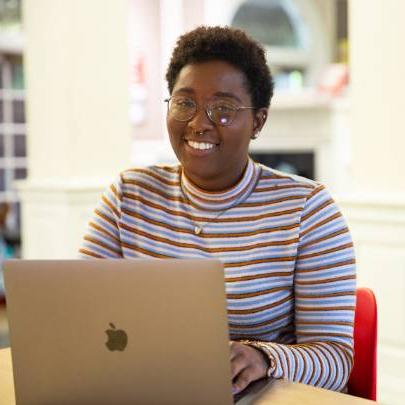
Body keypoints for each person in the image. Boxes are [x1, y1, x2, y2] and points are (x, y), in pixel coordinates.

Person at [80, 26, 356, 395]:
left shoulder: (308, 211)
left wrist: (262, 358)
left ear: (257, 121)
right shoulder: (129, 195)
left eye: (223, 108)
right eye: (185, 102)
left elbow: (335, 361)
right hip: (142, 390)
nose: (199, 122)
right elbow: (78, 311)